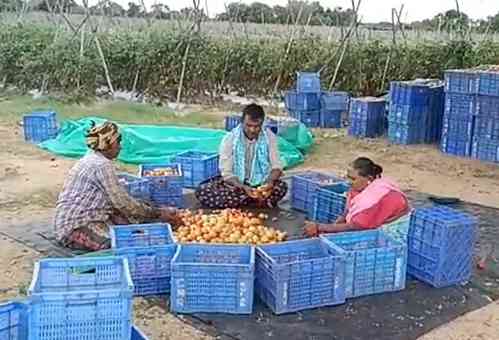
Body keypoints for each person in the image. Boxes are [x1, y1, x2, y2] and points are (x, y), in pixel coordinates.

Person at [54, 121, 179, 251]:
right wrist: (157, 213)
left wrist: (150, 210)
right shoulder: (101, 165)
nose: (120, 148)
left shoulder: (92, 158)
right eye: (117, 143)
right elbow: (122, 203)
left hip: (91, 215)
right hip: (75, 226)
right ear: (109, 145)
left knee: (134, 219)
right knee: (120, 246)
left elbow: (122, 200)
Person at [196, 103, 287, 209]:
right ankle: (253, 201)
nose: (252, 130)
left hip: (261, 183)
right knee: (203, 191)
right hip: (237, 185)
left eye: (256, 126)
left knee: (281, 187)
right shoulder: (230, 139)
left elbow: (277, 167)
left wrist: (269, 182)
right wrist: (243, 187)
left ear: (262, 124)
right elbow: (227, 174)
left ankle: (247, 201)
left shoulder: (269, 138)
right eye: (249, 125)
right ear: (242, 122)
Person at [304, 157, 409, 237]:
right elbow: (348, 210)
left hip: (395, 229)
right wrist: (333, 226)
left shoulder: (375, 198)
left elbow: (356, 226)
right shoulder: (359, 187)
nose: (348, 182)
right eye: (348, 177)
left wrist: (320, 227)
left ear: (369, 178)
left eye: (353, 179)